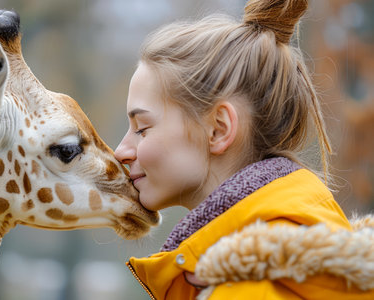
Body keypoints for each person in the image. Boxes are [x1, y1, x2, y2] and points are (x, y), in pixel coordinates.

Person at [114, 0, 374, 299]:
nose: (121, 151)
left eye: (142, 128)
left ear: (219, 128)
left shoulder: (248, 288)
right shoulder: (298, 264)